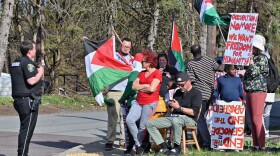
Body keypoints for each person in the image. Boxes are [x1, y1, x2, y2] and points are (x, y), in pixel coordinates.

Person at [146, 72, 202, 155]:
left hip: (189, 119)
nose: (180, 87)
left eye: (182, 85)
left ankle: (177, 147)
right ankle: (164, 147)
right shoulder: (178, 92)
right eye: (178, 85)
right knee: (149, 123)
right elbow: (172, 110)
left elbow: (194, 112)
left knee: (176, 120)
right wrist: (170, 106)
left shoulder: (196, 93)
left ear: (188, 82)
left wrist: (179, 108)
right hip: (174, 117)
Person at [10, 40, 44, 156]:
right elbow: (31, 80)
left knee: (24, 128)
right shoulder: (28, 63)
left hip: (19, 100)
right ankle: (22, 154)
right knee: (27, 130)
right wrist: (40, 72)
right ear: (30, 51)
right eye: (34, 49)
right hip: (28, 102)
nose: (35, 51)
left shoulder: (16, 62)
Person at [126, 49, 162, 155]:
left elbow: (152, 89)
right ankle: (138, 144)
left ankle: (139, 146)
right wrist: (145, 86)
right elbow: (133, 86)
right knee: (129, 120)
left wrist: (142, 87)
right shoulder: (141, 73)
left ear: (149, 62)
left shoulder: (157, 73)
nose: (141, 63)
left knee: (142, 126)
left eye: (143, 61)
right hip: (138, 101)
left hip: (150, 102)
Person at [187, 44, 220, 149]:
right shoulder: (208, 59)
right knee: (202, 117)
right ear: (201, 51)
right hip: (210, 93)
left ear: (192, 53)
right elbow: (218, 67)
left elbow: (191, 80)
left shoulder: (191, 64)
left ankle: (207, 141)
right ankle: (200, 141)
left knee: (199, 117)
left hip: (199, 94)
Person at [105, 37, 134, 150]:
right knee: (113, 117)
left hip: (127, 92)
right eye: (124, 46)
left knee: (125, 118)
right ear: (120, 45)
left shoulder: (132, 60)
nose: (126, 48)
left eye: (128, 47)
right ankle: (110, 141)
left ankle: (123, 140)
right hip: (114, 91)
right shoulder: (113, 57)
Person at [243, 34, 269, 151]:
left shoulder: (262, 58)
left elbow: (254, 72)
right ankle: (256, 144)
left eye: (252, 46)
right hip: (249, 90)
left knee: (257, 119)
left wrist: (251, 60)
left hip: (258, 90)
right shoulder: (252, 57)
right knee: (251, 120)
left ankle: (262, 145)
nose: (251, 48)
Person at [118, 53, 143, 155]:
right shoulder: (145, 72)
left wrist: (122, 98)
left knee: (130, 125)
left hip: (132, 101)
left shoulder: (134, 73)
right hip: (143, 102)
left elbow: (129, 88)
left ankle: (133, 146)